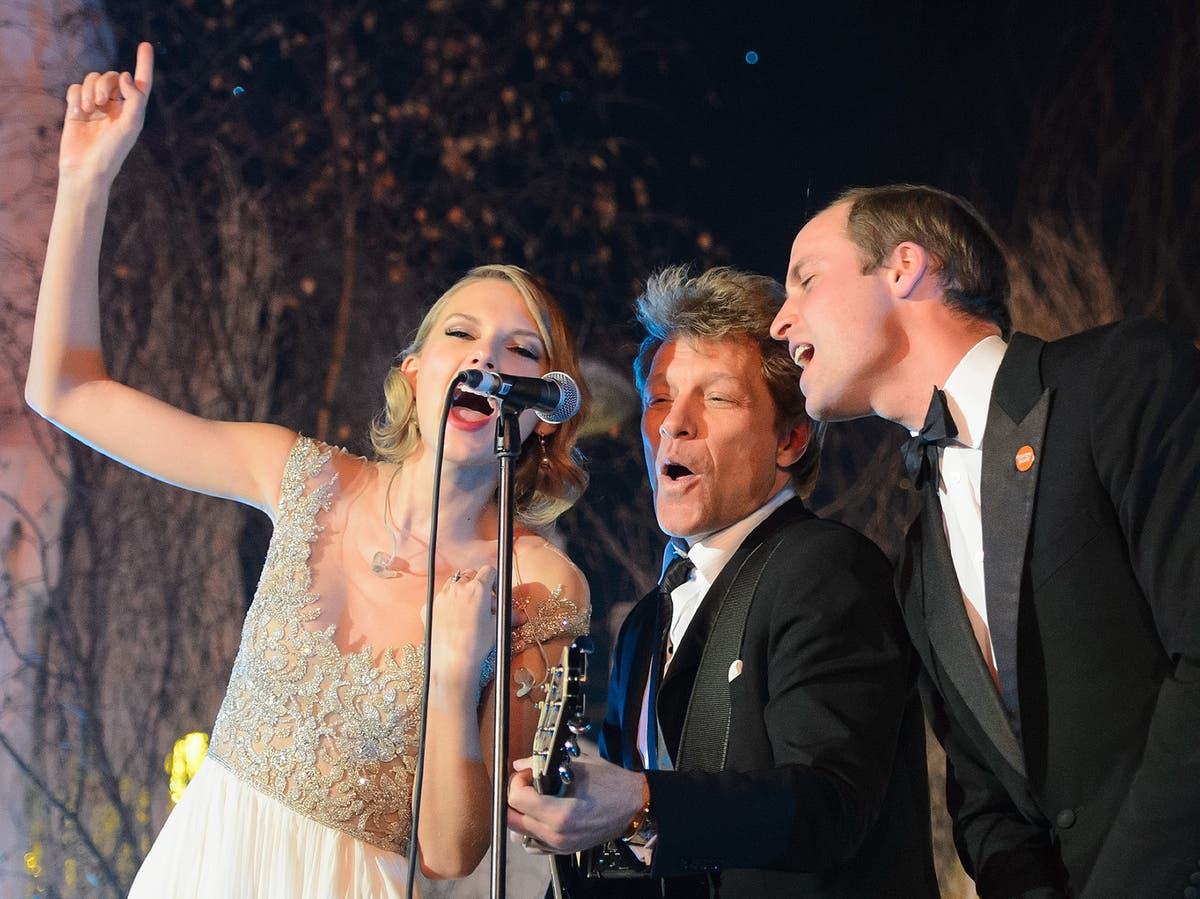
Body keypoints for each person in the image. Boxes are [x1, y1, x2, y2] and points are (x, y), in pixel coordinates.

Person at [26, 43, 592, 898]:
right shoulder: (303, 477)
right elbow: (64, 388)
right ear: (413, 370)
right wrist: (84, 182)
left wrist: (448, 679)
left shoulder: (539, 583)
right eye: (461, 335)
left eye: (520, 351)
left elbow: (453, 852)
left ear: (544, 405)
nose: (487, 358)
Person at [769, 183, 1200, 898]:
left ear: (904, 266)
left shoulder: (1122, 379)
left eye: (806, 279)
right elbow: (985, 802)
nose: (782, 320)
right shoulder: (914, 566)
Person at [506, 265, 939, 897]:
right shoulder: (643, 624)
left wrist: (641, 798)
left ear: (790, 439)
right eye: (659, 398)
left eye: (717, 398)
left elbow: (830, 803)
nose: (674, 425)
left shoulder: (825, 570)